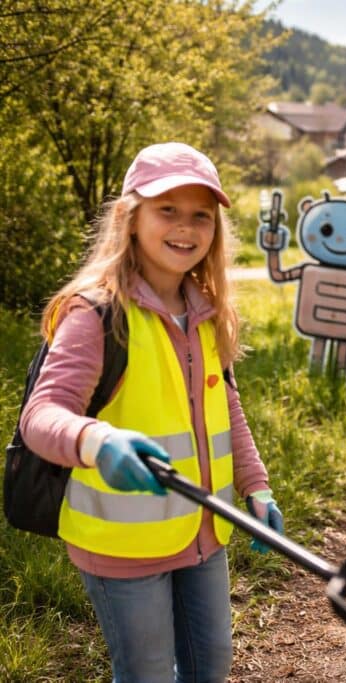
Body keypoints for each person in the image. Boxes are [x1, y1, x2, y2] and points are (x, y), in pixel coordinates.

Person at [19, 142, 284, 682]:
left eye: (200, 216)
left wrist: (257, 487)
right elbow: (42, 414)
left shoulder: (206, 311)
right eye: (167, 210)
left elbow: (226, 407)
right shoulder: (96, 313)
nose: (185, 227)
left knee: (210, 669)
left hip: (206, 531)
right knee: (147, 676)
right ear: (129, 217)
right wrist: (96, 440)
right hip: (124, 545)